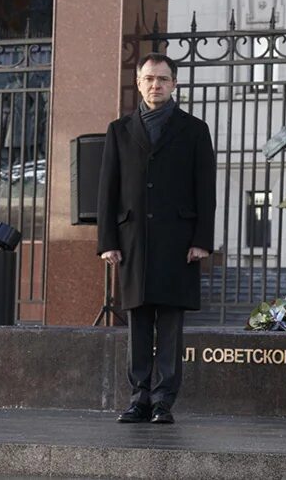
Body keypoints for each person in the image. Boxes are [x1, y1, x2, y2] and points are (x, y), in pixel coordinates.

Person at [97, 53, 216, 424]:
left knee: (170, 325)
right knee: (137, 321)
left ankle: (163, 399)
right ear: (138, 82)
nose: (155, 85)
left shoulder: (194, 130)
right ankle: (139, 397)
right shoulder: (119, 130)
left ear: (174, 84)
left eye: (163, 79)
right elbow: (107, 190)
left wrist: (202, 239)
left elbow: (206, 191)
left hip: (179, 243)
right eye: (149, 79)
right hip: (132, 241)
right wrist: (107, 241)